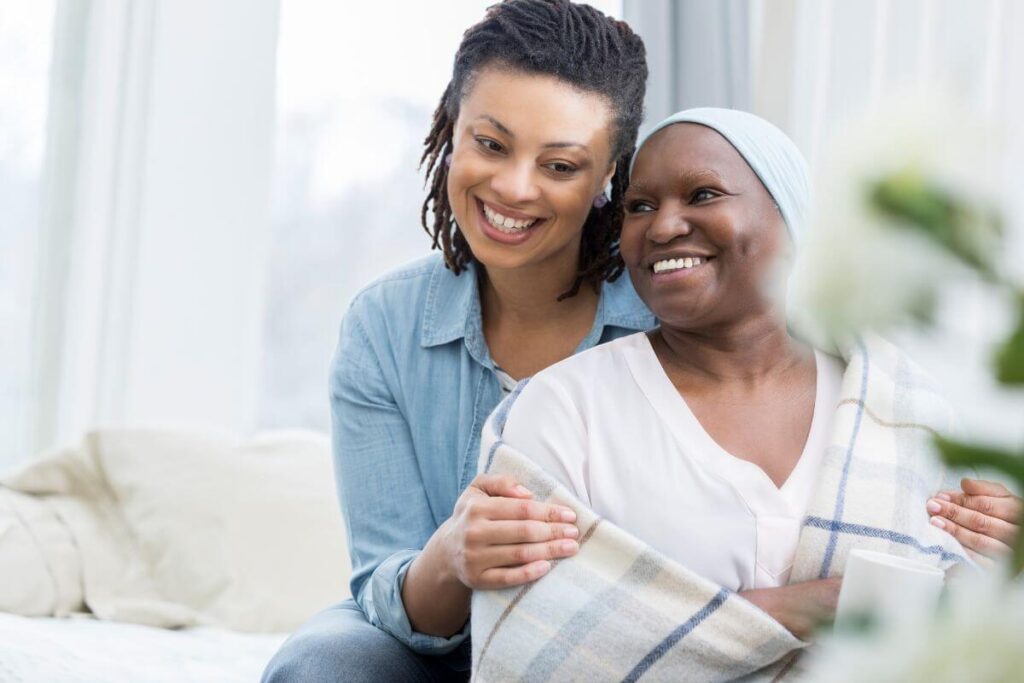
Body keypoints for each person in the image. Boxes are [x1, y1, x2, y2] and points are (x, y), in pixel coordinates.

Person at [495, 107, 1023, 641]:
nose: (663, 225)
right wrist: (802, 608)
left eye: (702, 195)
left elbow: (965, 617)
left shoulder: (903, 409)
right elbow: (531, 633)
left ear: (791, 221)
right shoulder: (565, 409)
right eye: (640, 206)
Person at [261, 2, 652, 681]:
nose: (513, 187)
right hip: (436, 643)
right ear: (451, 128)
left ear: (608, 175)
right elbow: (389, 585)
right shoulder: (384, 325)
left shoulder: (661, 320)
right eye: (491, 144)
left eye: (560, 165)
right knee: (325, 661)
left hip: (610, 648)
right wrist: (452, 556)